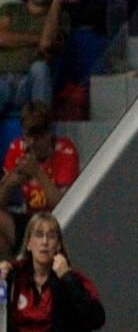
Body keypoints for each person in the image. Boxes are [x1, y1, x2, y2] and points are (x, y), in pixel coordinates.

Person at [0, 99, 79, 254]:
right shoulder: (17, 148)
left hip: (58, 222)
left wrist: (37, 172)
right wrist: (9, 184)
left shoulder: (66, 151)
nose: (31, 143)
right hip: (30, 220)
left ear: (49, 133)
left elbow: (64, 205)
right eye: (28, 136)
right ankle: (10, 276)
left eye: (38, 137)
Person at [0, 0, 73, 119]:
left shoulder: (61, 17)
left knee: (40, 68)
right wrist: (36, 39)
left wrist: (56, 2)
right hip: (2, 80)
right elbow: (1, 38)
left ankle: (41, 131)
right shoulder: (11, 9)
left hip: (30, 82)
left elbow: (47, 44)